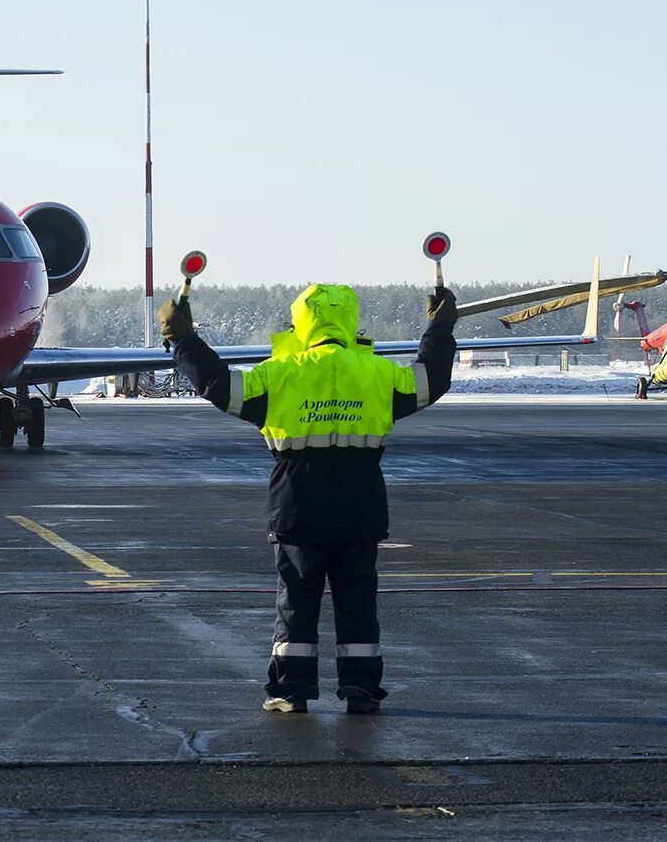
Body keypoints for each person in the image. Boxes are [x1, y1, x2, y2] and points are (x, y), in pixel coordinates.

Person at [160, 283, 457, 714]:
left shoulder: (280, 372)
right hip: (360, 508)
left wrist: (183, 340)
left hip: (297, 506)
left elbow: (220, 386)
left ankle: (290, 690)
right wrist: (439, 328)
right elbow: (431, 379)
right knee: (357, 604)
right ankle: (361, 689)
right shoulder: (377, 373)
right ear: (350, 321)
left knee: (296, 602)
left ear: (301, 322)